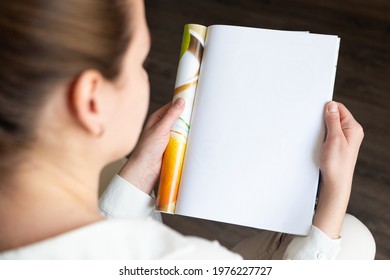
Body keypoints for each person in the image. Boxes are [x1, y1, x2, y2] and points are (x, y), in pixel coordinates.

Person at [0, 0, 375, 259]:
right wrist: (336, 192)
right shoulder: (182, 260)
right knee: (353, 237)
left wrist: (138, 171)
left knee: (115, 177)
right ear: (92, 100)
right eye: (140, 63)